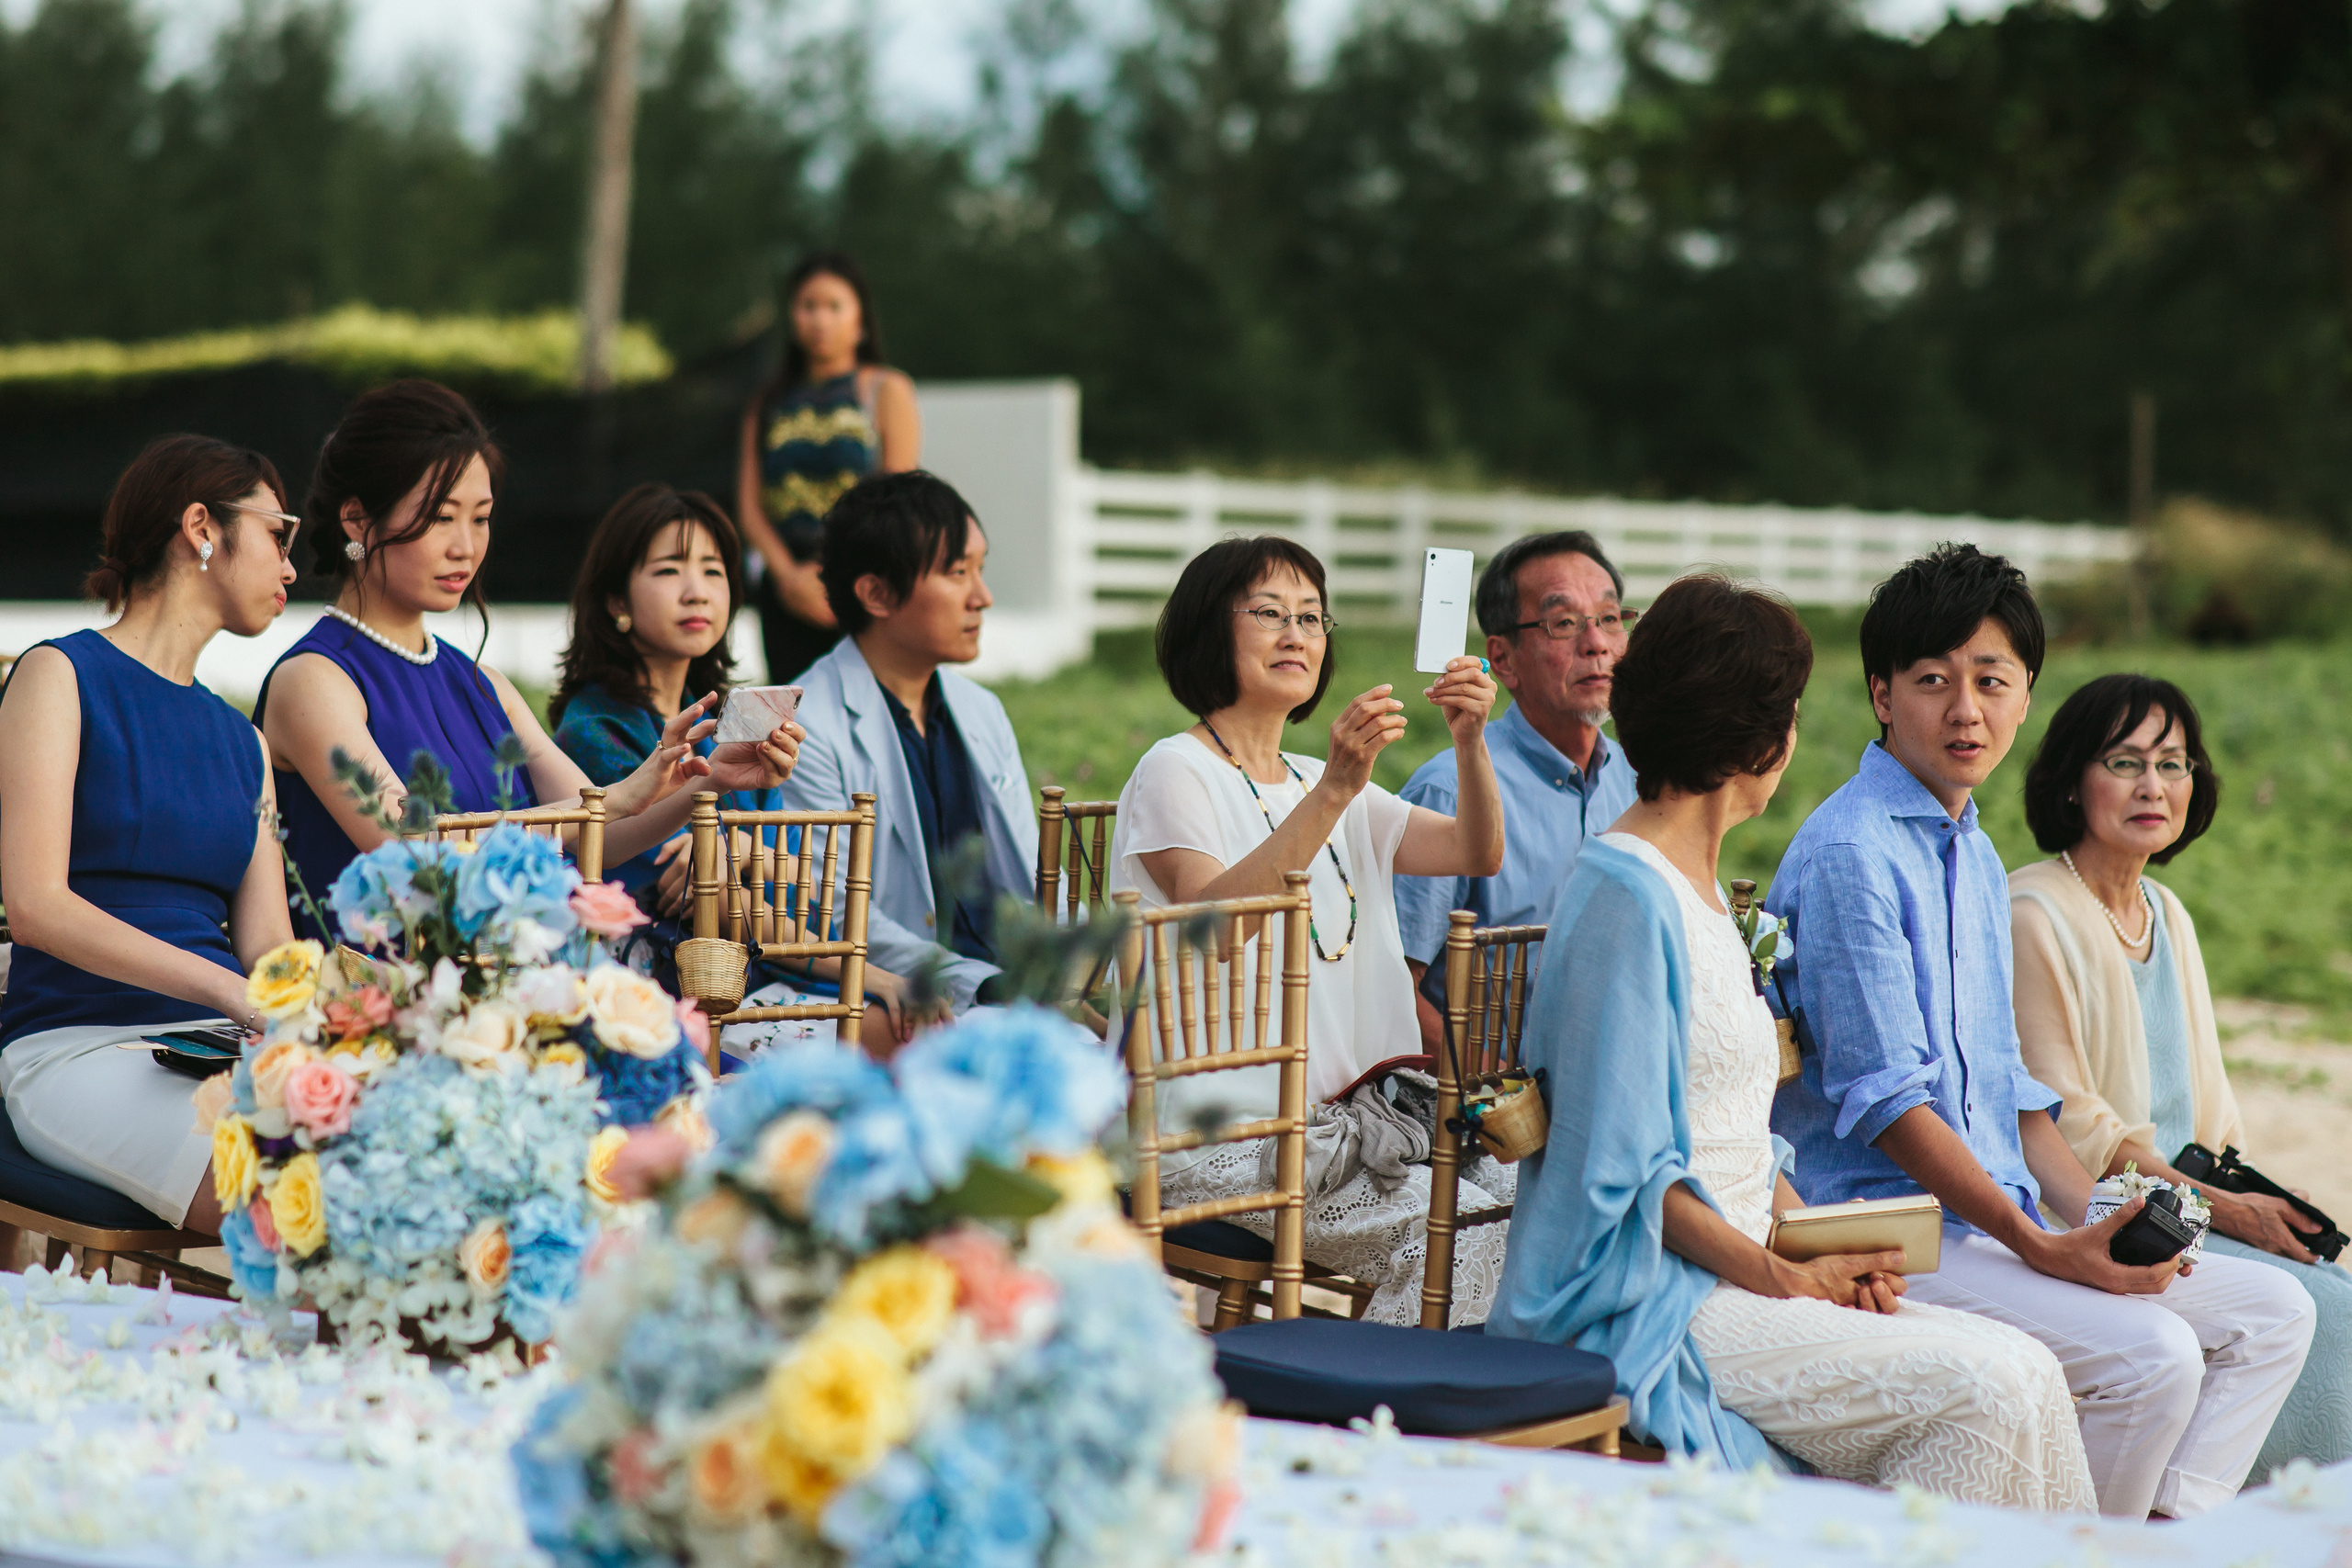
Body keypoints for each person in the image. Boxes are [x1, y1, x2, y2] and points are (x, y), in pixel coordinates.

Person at [1487, 574, 2091, 1505]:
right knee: (1988, 1385)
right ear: (1757, 740)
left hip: (1741, 1264)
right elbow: (1626, 1174)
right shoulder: (1622, 892)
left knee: (2022, 1366)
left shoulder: (1696, 886)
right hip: (1652, 1293)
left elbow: (1734, 1130)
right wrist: (1777, 1273)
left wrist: (1821, 1250)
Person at [1765, 545, 2313, 1518]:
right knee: (2153, 1360)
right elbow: (1891, 1107)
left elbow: (2016, 1103)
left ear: (2024, 698)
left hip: (1995, 1219)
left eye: (1991, 680)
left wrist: (2094, 1219)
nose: (1964, 710)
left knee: (2273, 1313)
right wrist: (2041, 1245)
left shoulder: (1970, 850)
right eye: (1933, 681)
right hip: (1902, 1233)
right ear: (1882, 696)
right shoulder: (1852, 852)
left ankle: (2158, 1537)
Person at [1108, 536, 1507, 1325]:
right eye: (1268, 613)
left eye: (1312, 617)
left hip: (1333, 1118)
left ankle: (1413, 1389)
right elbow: (1214, 931)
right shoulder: (1174, 768)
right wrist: (1334, 789)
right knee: (1458, 1231)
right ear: (1208, 632)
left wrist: (1469, 740)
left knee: (1522, 1192)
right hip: (1211, 1129)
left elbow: (1477, 849)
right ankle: (1381, 1416)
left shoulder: (1308, 777)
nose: (1297, 634)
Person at [257, 380, 802, 931]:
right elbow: (413, 842)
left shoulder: (485, 684)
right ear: (356, 520)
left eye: (481, 518)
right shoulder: (314, 680)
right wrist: (616, 799)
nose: (465, 546)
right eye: (442, 517)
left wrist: (710, 783)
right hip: (380, 1001)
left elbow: (601, 840)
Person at [2013, 673, 2352, 1480]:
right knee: (2329, 1314)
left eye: (2172, 764)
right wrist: (2229, 1212)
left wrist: (2246, 1205)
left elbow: (2211, 1122)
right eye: (2124, 762)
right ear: (2070, 781)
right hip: (2108, 1212)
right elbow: (2068, 1128)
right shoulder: (2034, 910)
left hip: (2191, 1202)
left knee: (2331, 1284)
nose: (2153, 786)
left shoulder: (2168, 911)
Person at [0, 435, 301, 1229]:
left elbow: (267, 945)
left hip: (219, 1040)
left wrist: (356, 1000)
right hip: (80, 1046)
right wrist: (223, 990)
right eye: (279, 533)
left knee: (398, 1142)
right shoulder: (57, 676)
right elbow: (34, 905)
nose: (291, 567)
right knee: (289, 1193)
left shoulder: (246, 743)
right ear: (202, 526)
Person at [548, 482, 913, 1056]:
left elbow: (785, 883)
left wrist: (739, 855)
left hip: (757, 978)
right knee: (899, 1032)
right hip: (659, 1003)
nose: (696, 592)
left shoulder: (734, 720)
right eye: (669, 570)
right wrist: (868, 974)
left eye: (714, 571)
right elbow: (697, 900)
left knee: (914, 1028)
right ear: (616, 601)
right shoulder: (596, 732)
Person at [777, 470, 1035, 1017]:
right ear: (875, 593)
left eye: (980, 570)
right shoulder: (809, 724)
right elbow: (835, 910)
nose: (982, 598)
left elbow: (1026, 871)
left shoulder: (981, 709)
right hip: (905, 1007)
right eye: (957, 572)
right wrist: (983, 985)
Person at [1396, 531, 1639, 1049]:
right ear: (1502, 659)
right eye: (1564, 622)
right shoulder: (1449, 790)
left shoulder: (1642, 780)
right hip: (1488, 1108)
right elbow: (1392, 987)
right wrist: (1494, 1099)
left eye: (1610, 618)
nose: (1596, 643)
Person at [737, 252, 921, 685]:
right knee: (792, 725)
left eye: (834, 306)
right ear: (792, 317)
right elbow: (749, 506)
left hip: (865, 582)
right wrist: (789, 577)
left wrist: (833, 576)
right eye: (808, 306)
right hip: (786, 589)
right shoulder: (766, 403)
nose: (820, 319)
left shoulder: (885, 390)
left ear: (860, 319)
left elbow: (898, 498)